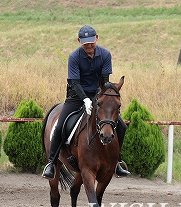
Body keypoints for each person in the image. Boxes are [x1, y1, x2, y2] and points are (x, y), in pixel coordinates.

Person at [42, 25, 130, 179]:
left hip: (97, 96)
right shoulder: (74, 57)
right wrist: (85, 99)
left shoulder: (105, 55)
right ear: (79, 41)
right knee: (61, 124)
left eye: (91, 42)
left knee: (121, 125)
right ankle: (51, 163)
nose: (89, 46)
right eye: (85, 44)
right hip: (76, 96)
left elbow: (104, 81)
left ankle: (117, 162)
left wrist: (98, 98)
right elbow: (75, 83)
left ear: (96, 38)